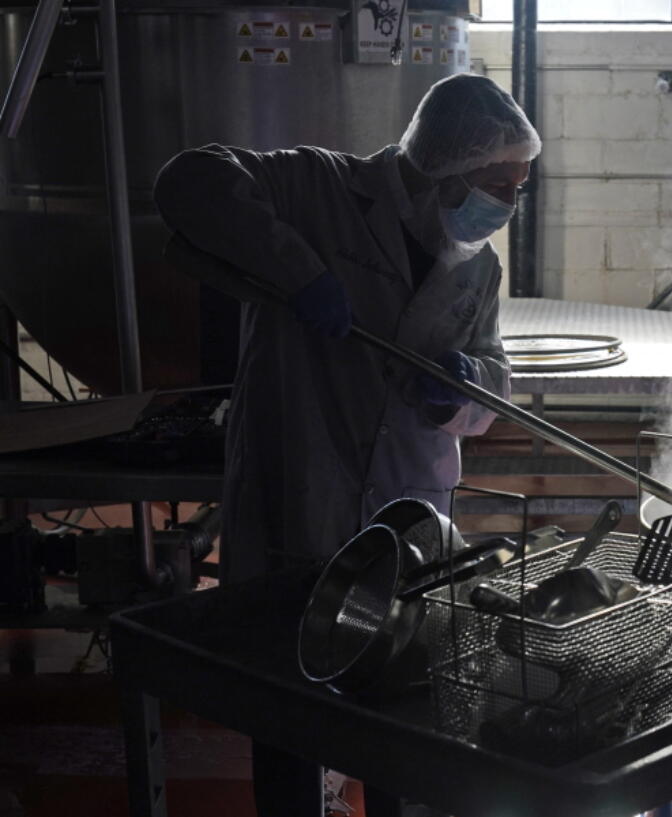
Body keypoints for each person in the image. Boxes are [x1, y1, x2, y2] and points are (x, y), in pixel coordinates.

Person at [154, 73, 540, 817]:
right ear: (448, 168)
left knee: (399, 705)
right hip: (303, 488)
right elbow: (186, 181)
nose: (507, 204)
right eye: (498, 183)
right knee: (290, 703)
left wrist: (463, 387)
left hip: (409, 516)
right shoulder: (316, 186)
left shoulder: (477, 262)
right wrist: (298, 272)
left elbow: (494, 371)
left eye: (519, 187)